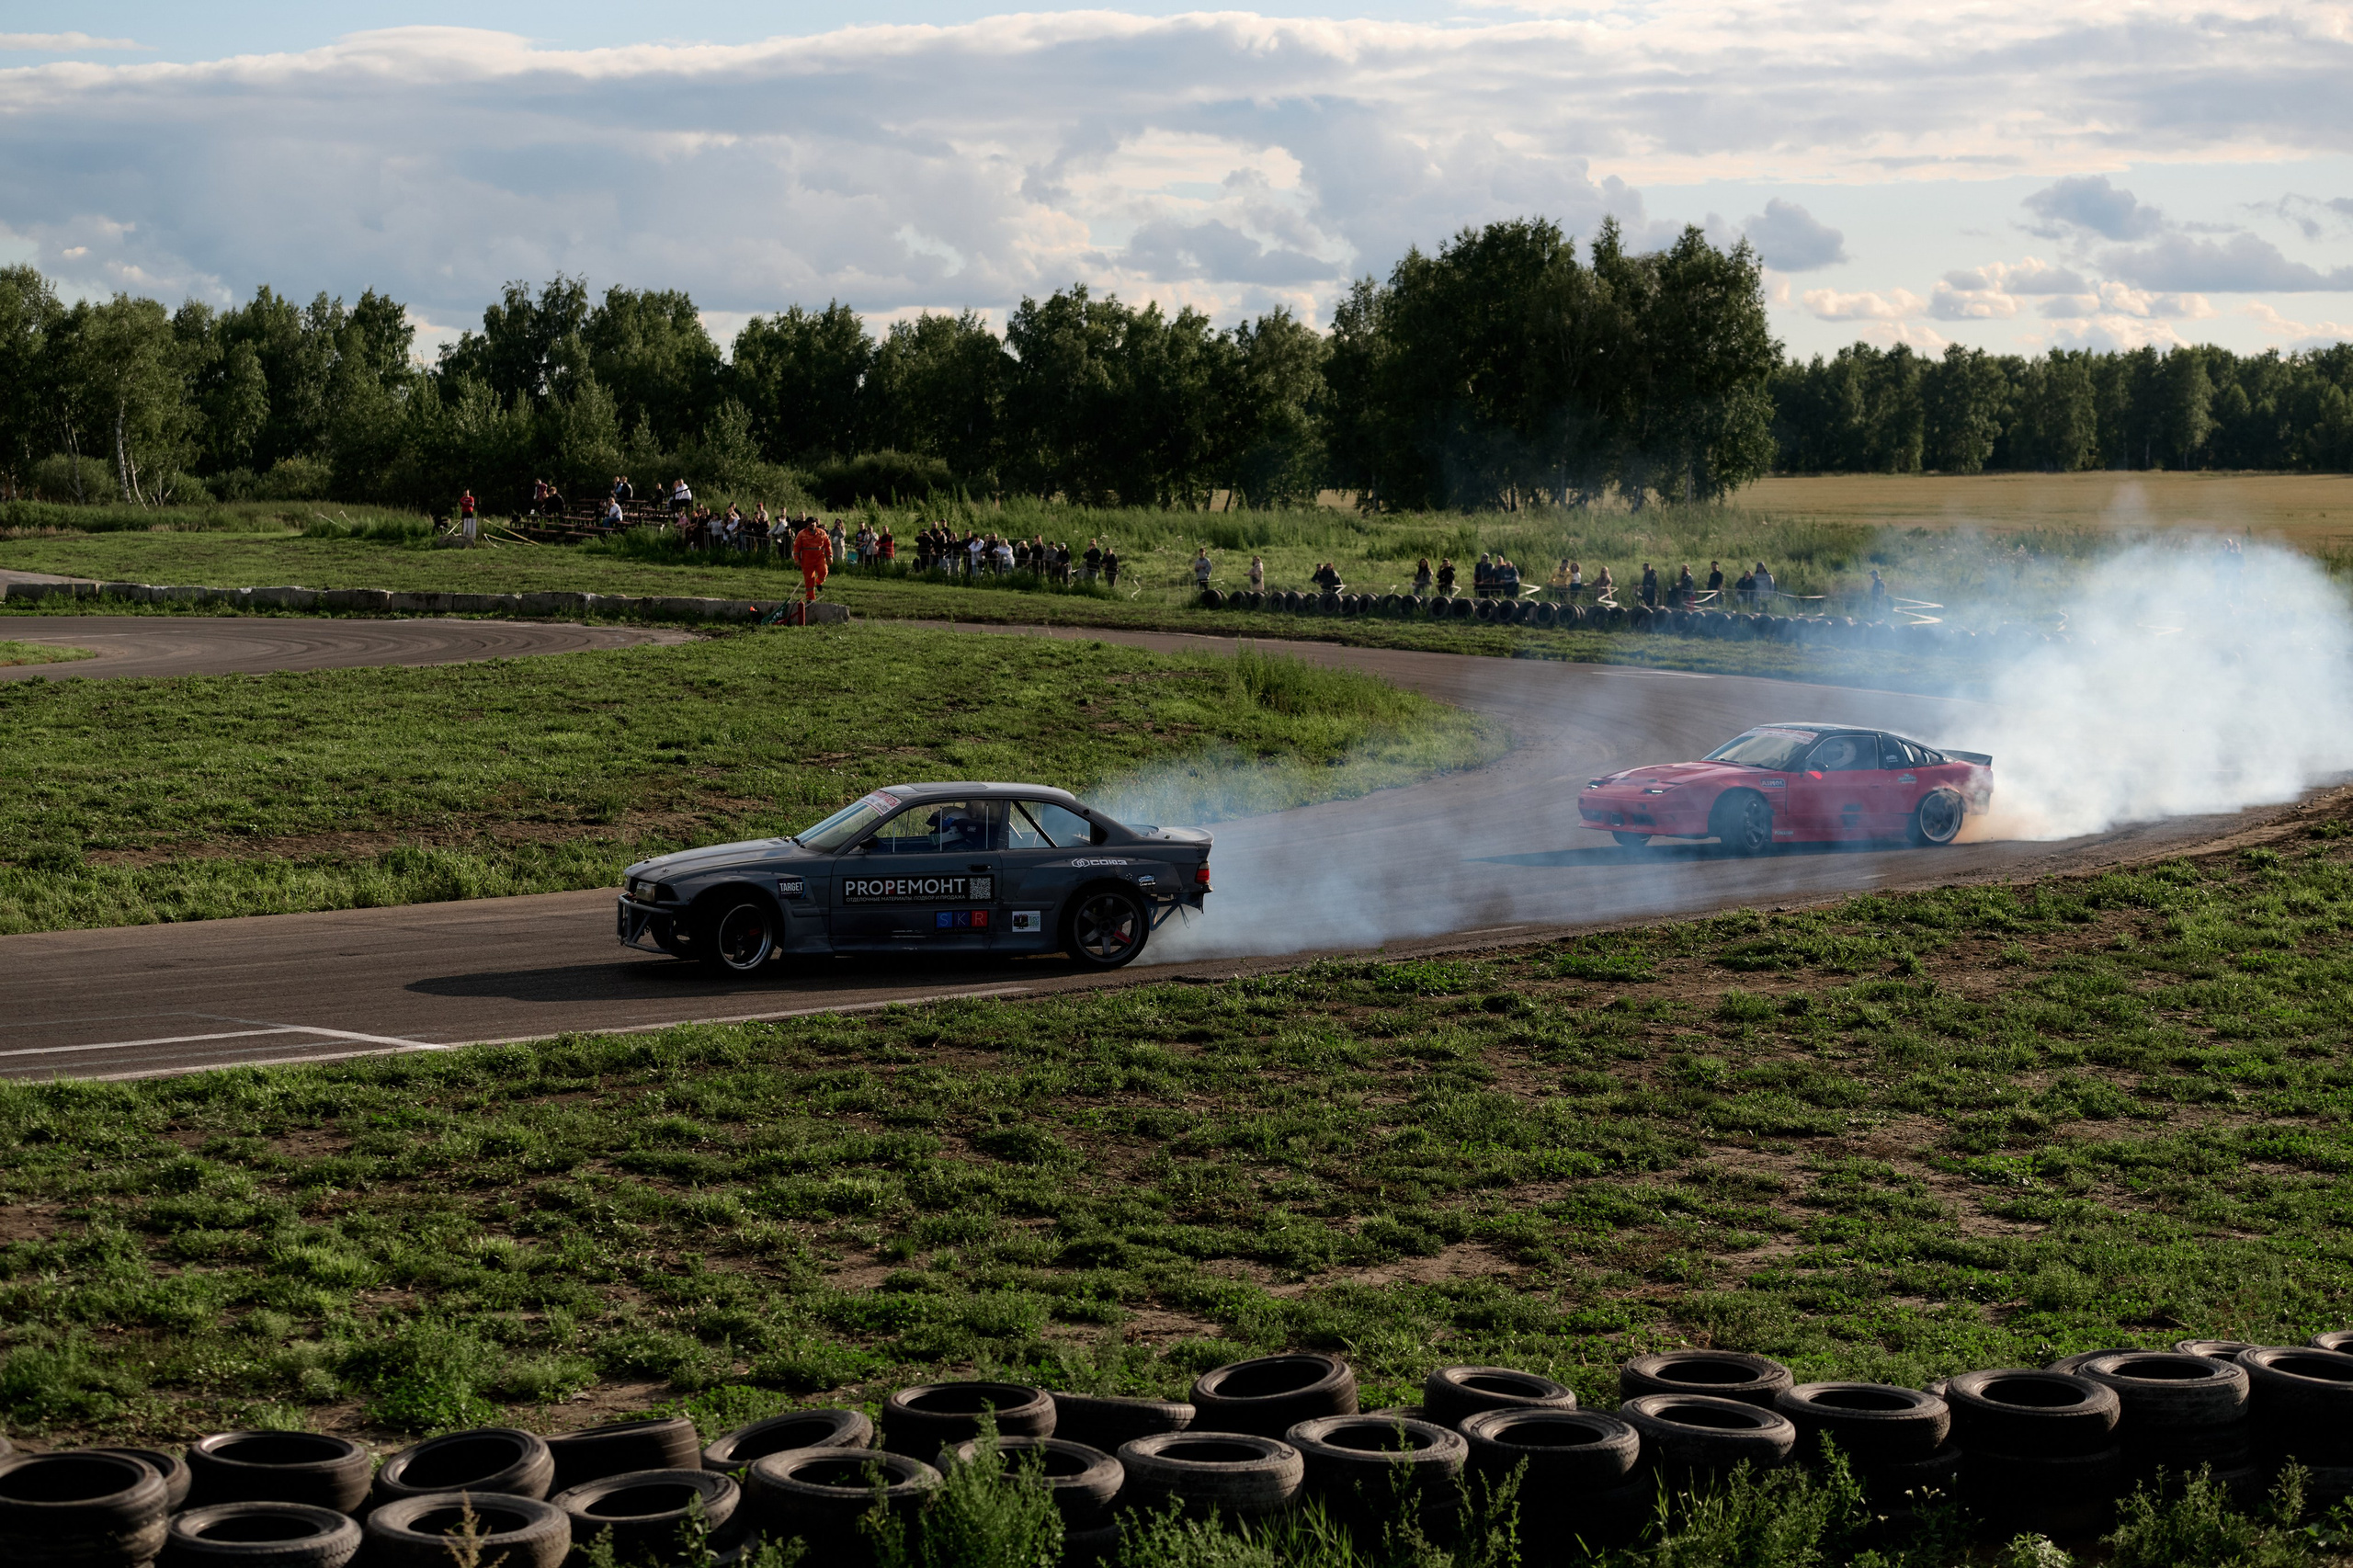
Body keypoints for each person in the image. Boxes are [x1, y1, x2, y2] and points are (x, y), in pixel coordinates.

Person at [793, 516, 831, 601]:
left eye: (813, 523)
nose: (811, 525)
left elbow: (827, 545)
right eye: (809, 524)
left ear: (816, 523)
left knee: (824, 571)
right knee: (809, 579)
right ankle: (810, 598)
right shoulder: (801, 534)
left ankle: (819, 582)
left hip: (819, 557)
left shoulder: (822, 533)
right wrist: (796, 559)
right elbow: (796, 547)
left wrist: (830, 556)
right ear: (807, 525)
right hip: (807, 560)